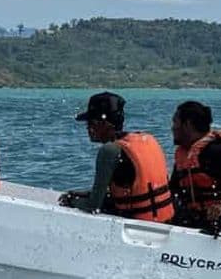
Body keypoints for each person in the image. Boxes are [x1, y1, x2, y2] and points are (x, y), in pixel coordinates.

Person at [59, 92, 174, 223]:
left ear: (105, 124)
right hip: (165, 221)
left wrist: (71, 201)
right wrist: (86, 194)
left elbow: (93, 206)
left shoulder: (109, 150)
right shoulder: (148, 139)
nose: (88, 128)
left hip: (140, 226)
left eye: (91, 123)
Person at [169, 101, 221, 236]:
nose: (172, 128)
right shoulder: (184, 155)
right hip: (198, 220)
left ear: (187, 124)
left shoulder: (217, 151)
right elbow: (172, 190)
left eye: (175, 122)